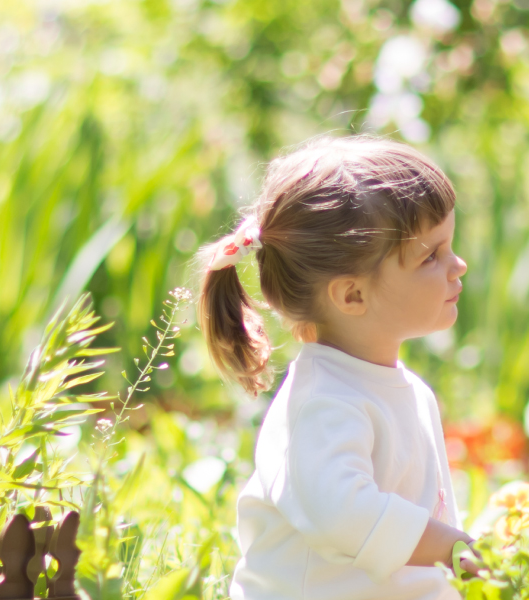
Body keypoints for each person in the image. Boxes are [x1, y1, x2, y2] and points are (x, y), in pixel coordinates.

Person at [201, 136, 473, 600]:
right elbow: (346, 512)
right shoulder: (323, 403)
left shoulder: (402, 388)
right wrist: (459, 551)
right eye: (431, 256)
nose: (458, 265)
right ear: (352, 296)